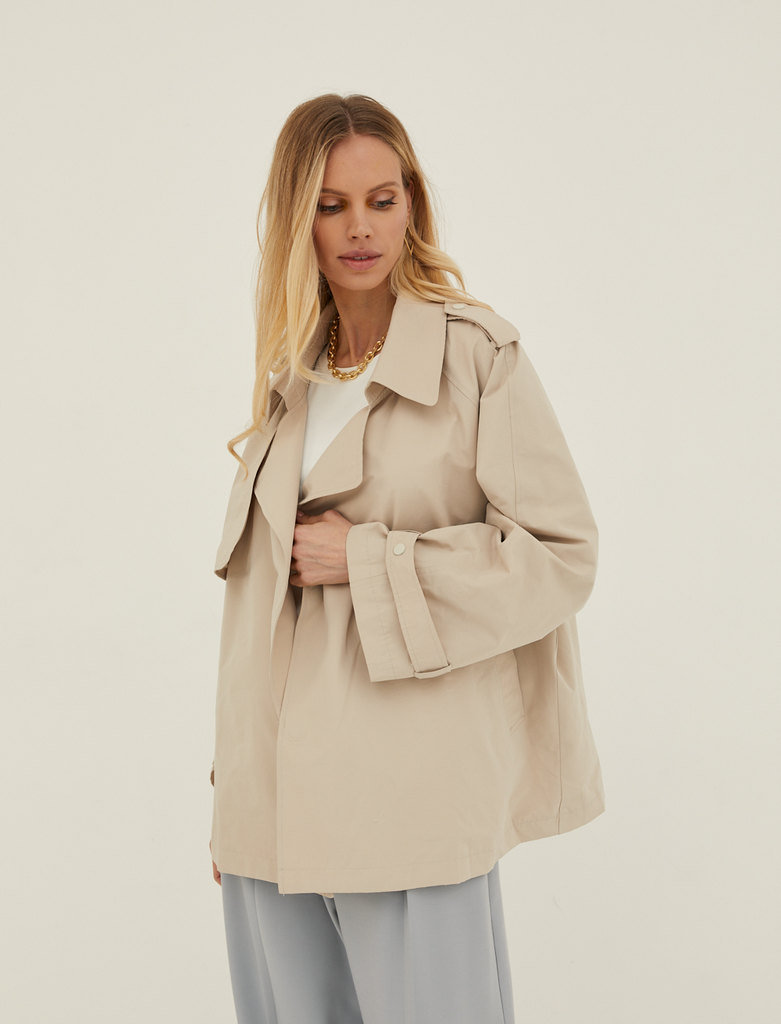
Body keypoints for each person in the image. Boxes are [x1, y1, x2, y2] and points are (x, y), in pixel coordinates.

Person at [208, 92, 604, 1024]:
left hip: (412, 790)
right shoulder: (292, 376)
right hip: (274, 802)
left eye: (381, 201)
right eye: (331, 205)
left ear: (411, 204)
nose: (360, 229)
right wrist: (235, 788)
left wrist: (370, 559)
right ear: (296, 217)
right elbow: (259, 609)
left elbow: (559, 557)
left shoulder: (477, 357)